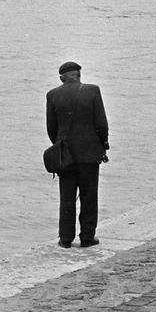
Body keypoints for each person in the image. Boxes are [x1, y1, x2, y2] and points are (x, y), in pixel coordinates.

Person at [45, 61, 110, 248]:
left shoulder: (52, 95)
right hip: (90, 153)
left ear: (61, 78)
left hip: (66, 155)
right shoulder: (93, 91)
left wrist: (60, 146)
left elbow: (51, 129)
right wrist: (103, 145)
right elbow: (102, 124)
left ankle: (65, 239)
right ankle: (87, 237)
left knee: (67, 197)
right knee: (89, 196)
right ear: (79, 75)